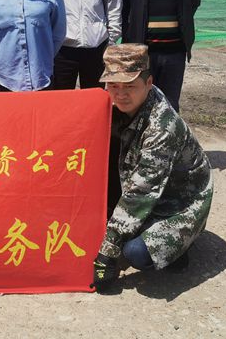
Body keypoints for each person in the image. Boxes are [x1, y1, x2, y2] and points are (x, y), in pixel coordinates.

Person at [91, 44, 213, 292]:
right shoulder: (117, 103)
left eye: (129, 86)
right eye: (113, 85)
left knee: (135, 252)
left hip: (179, 202)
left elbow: (141, 192)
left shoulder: (162, 127)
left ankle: (180, 247)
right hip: (144, 185)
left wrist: (107, 252)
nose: (120, 94)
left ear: (148, 83)